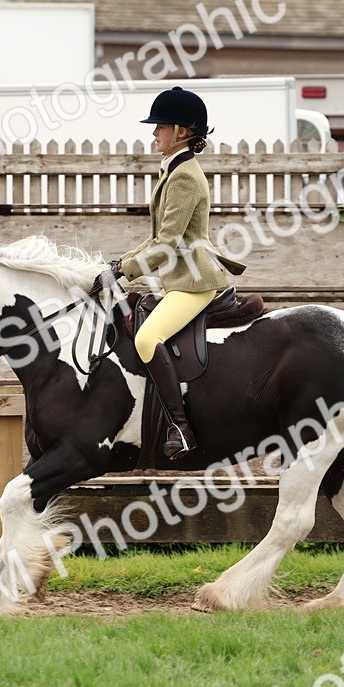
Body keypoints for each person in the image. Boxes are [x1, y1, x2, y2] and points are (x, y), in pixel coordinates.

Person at [95, 86, 246, 460]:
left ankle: (180, 426)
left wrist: (126, 271)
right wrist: (117, 265)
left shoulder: (183, 177)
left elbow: (168, 244)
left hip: (194, 282)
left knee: (147, 339)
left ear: (181, 131)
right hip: (180, 277)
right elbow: (155, 238)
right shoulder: (173, 169)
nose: (153, 133)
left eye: (159, 126)